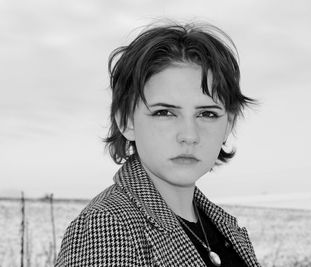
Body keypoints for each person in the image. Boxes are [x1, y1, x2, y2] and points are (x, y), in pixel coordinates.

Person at [56, 21, 261, 267]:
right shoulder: (107, 227)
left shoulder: (228, 229)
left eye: (207, 114)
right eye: (165, 113)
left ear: (228, 123)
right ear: (126, 121)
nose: (189, 135)